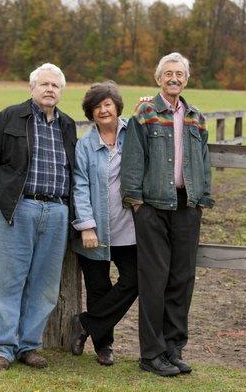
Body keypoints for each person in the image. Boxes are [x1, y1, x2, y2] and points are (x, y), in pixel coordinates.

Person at [0, 63, 77, 370]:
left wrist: (68, 210)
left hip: (56, 211)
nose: (50, 90)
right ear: (31, 88)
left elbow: (74, 169)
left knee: (44, 285)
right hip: (18, 210)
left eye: (55, 86)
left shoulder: (67, 125)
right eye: (44, 84)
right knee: (8, 281)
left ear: (61, 91)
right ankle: (3, 347)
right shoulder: (10, 117)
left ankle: (28, 345)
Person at [121, 52, 214, 376]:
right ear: (159, 78)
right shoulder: (145, 113)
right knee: (154, 282)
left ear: (186, 79)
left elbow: (203, 161)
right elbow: (133, 160)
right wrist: (136, 203)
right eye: (168, 74)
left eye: (180, 74)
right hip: (153, 209)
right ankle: (151, 355)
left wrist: (202, 200)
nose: (174, 79)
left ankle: (173, 349)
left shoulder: (196, 117)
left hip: (187, 207)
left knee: (181, 281)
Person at [69, 82, 138, 366]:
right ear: (90, 112)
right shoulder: (85, 145)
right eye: (97, 106)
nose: (103, 110)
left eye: (107, 104)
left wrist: (147, 104)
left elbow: (154, 120)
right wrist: (86, 226)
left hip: (129, 226)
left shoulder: (133, 132)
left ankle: (85, 323)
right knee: (98, 286)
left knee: (135, 279)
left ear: (117, 106)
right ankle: (104, 346)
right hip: (95, 228)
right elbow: (79, 186)